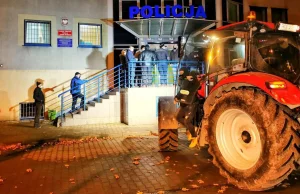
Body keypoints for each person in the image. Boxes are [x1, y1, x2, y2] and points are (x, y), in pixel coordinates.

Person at [174, 70, 201, 148]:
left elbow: (189, 90)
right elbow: (182, 90)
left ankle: (194, 137)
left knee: (187, 121)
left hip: (192, 104)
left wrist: (189, 81)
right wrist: (177, 97)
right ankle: (189, 129)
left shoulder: (196, 83)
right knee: (178, 117)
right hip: (184, 103)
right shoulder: (186, 81)